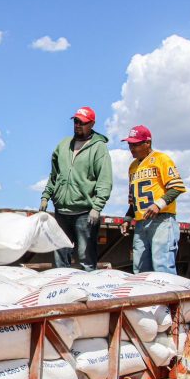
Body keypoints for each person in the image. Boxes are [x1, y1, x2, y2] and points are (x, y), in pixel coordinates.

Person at [39, 106, 113, 271]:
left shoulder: (98, 147)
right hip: (61, 212)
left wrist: (97, 207)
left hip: (85, 213)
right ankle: (61, 285)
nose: (78, 125)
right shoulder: (63, 145)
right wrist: (45, 197)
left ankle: (89, 285)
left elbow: (105, 180)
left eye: (82, 122)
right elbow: (54, 175)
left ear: (92, 124)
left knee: (86, 258)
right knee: (60, 257)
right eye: (76, 121)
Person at [118, 125, 187, 274]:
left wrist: (158, 205)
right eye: (130, 144)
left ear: (147, 143)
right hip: (140, 222)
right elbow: (134, 199)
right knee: (140, 270)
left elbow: (177, 187)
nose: (131, 148)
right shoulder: (132, 166)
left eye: (135, 144)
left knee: (162, 267)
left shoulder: (161, 159)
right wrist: (128, 218)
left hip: (161, 219)